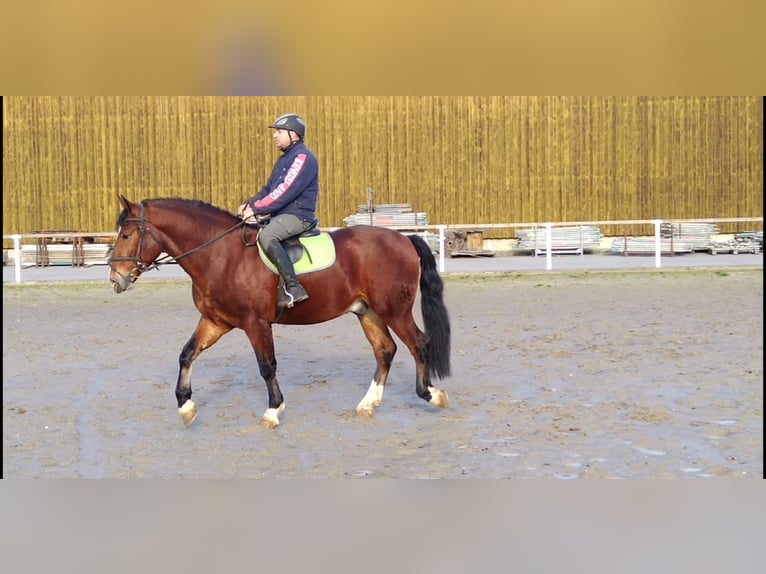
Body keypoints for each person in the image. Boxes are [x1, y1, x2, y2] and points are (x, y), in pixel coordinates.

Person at [238, 113, 319, 308]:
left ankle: (294, 287)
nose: (275, 136)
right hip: (282, 214)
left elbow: (284, 190)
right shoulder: (285, 159)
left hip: (298, 215)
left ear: (294, 134)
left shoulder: (302, 157)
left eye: (280, 132)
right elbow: (269, 189)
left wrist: (256, 209)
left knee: (267, 236)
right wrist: (250, 203)